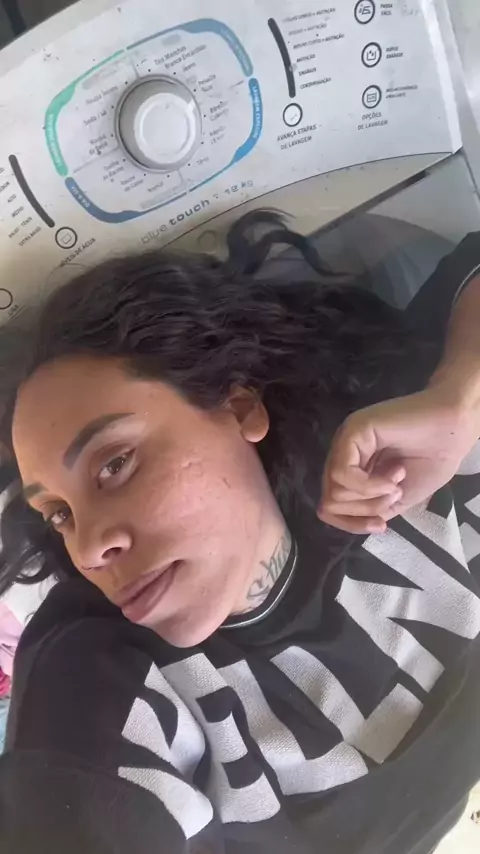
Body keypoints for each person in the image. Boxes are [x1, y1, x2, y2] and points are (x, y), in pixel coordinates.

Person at [0, 211, 479, 853]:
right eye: (59, 514)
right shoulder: (94, 668)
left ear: (239, 406)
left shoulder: (393, 447)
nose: (87, 549)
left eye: (114, 464)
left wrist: (460, 398)